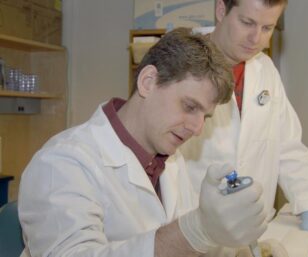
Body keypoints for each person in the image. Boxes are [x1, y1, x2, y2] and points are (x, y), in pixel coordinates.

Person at [18, 28, 268, 257]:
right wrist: (198, 229)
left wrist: (232, 250)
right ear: (148, 82)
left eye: (205, 116)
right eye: (190, 106)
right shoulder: (61, 164)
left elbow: (186, 245)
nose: (198, 128)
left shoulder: (170, 160)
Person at [179, 0, 308, 254]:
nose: (255, 38)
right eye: (247, 22)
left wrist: (306, 203)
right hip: (194, 229)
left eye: (267, 28)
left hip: (254, 228)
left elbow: (288, 145)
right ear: (221, 10)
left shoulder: (265, 70)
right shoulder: (182, 62)